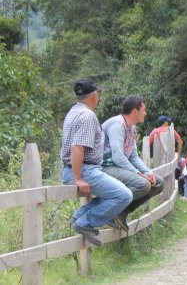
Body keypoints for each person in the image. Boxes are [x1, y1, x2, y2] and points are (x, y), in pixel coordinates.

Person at [60, 79, 132, 246]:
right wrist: (78, 178)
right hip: (83, 169)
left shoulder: (73, 112)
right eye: (97, 93)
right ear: (93, 96)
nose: (98, 97)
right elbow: (78, 147)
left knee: (112, 194)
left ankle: (79, 216)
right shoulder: (87, 116)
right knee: (124, 195)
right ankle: (84, 222)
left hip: (73, 169)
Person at [102, 95, 165, 231]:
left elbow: (133, 157)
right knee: (142, 183)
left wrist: (148, 172)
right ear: (135, 111)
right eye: (144, 110)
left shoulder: (131, 128)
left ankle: (121, 212)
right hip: (104, 167)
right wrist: (138, 174)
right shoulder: (117, 126)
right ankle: (108, 210)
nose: (145, 113)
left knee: (157, 182)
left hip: (118, 167)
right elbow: (118, 157)